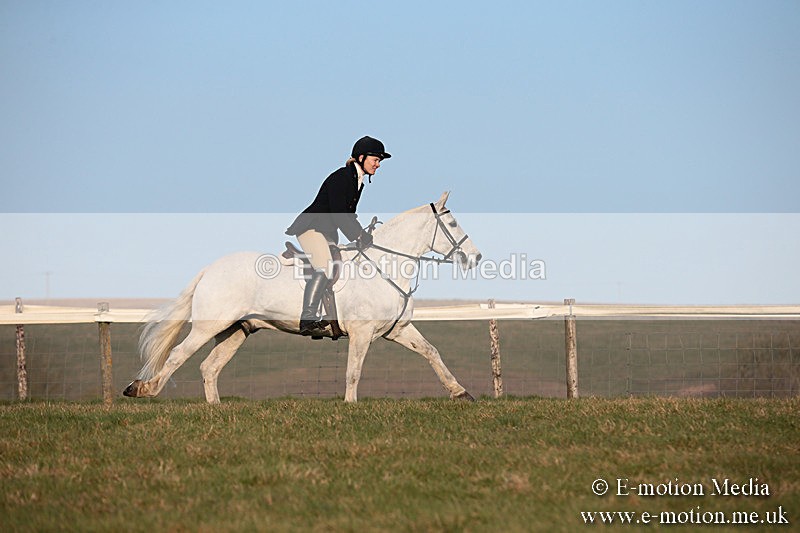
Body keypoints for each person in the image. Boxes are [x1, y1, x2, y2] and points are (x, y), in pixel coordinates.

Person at [286, 136, 391, 336]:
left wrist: (361, 234)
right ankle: (307, 318)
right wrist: (357, 235)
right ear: (361, 157)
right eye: (375, 159)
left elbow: (348, 215)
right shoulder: (343, 177)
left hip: (327, 231)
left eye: (379, 161)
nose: (378, 164)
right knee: (325, 265)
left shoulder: (357, 181)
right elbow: (338, 213)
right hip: (312, 228)